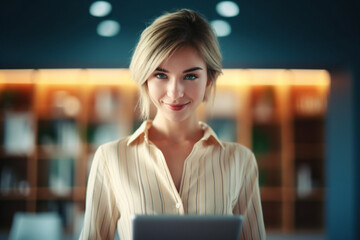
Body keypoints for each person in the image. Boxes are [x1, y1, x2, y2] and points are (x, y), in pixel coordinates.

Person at [80, 9, 266, 240]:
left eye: (190, 76)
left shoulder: (241, 161)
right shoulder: (110, 158)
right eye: (160, 75)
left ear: (209, 79)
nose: (175, 93)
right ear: (145, 78)